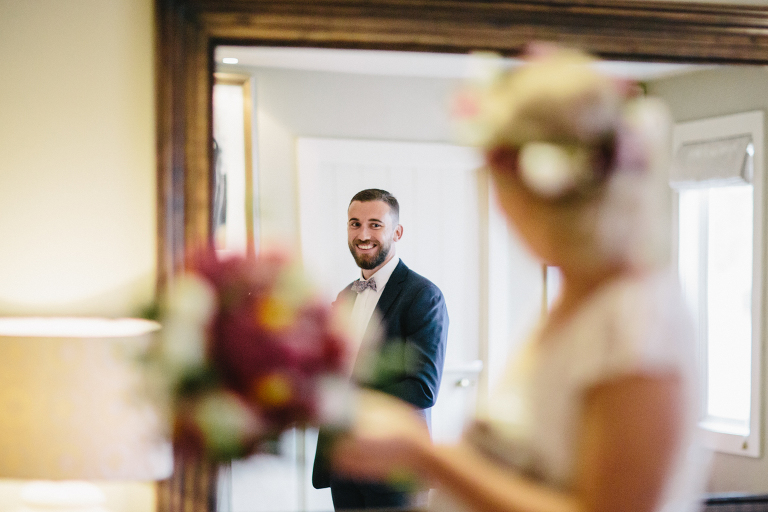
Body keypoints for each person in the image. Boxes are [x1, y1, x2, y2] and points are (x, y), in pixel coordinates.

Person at [329, 47, 708, 512]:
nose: (505, 217)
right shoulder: (578, 299)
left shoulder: (638, 322)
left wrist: (426, 455)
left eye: (502, 196)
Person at [312, 188, 450, 510]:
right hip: (344, 463)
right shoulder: (344, 297)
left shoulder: (423, 296)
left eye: (375, 224)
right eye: (354, 223)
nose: (363, 234)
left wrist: (346, 398)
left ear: (397, 232)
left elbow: (423, 388)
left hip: (395, 468)